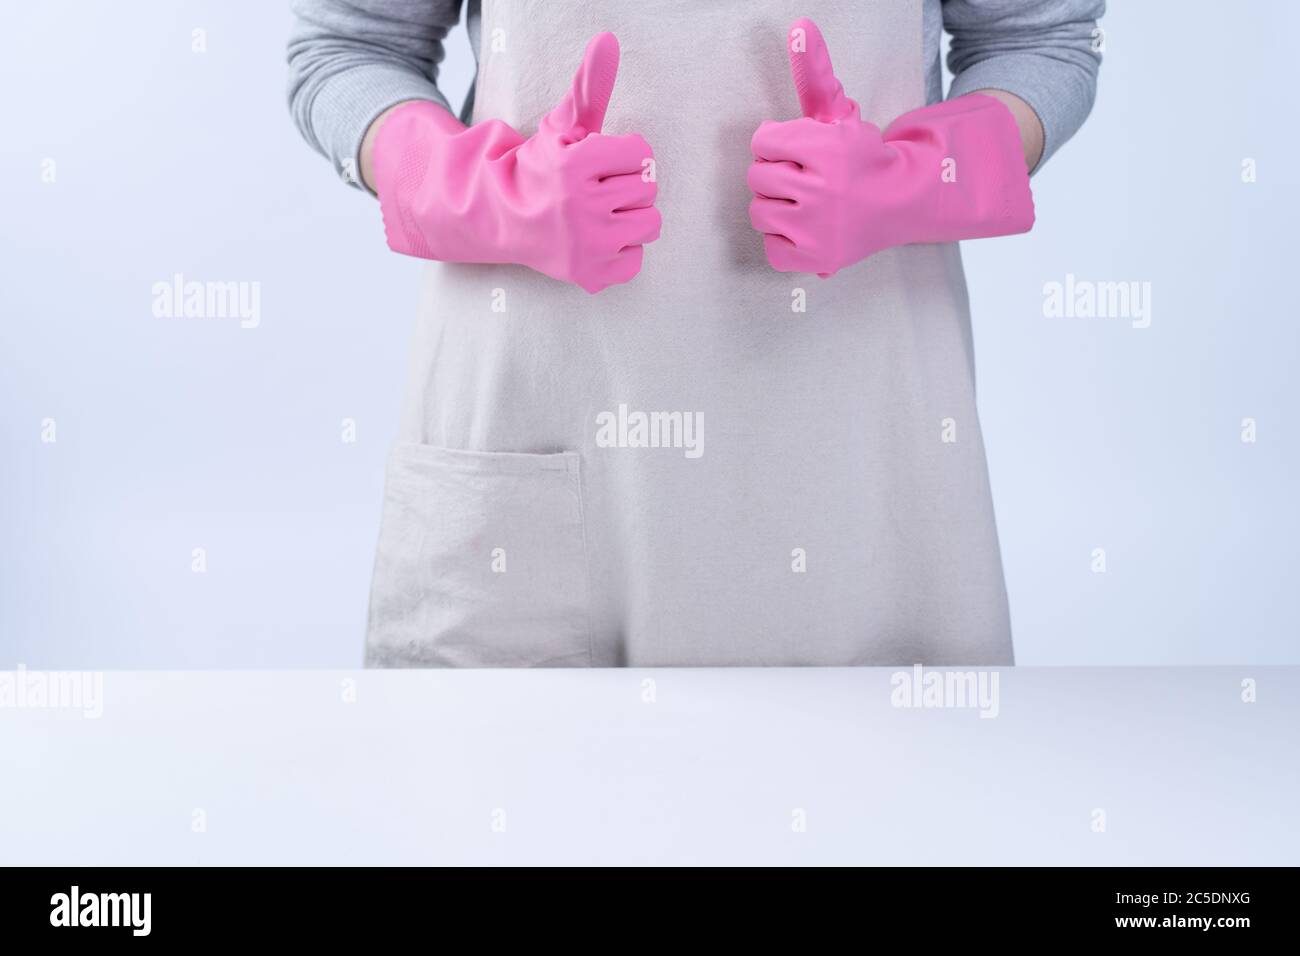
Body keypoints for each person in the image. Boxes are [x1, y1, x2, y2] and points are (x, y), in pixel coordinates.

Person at [287, 1, 1104, 667]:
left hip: (855, 449)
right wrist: (471, 189)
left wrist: (922, 178)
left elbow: (1040, 40)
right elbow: (348, 46)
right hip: (531, 412)